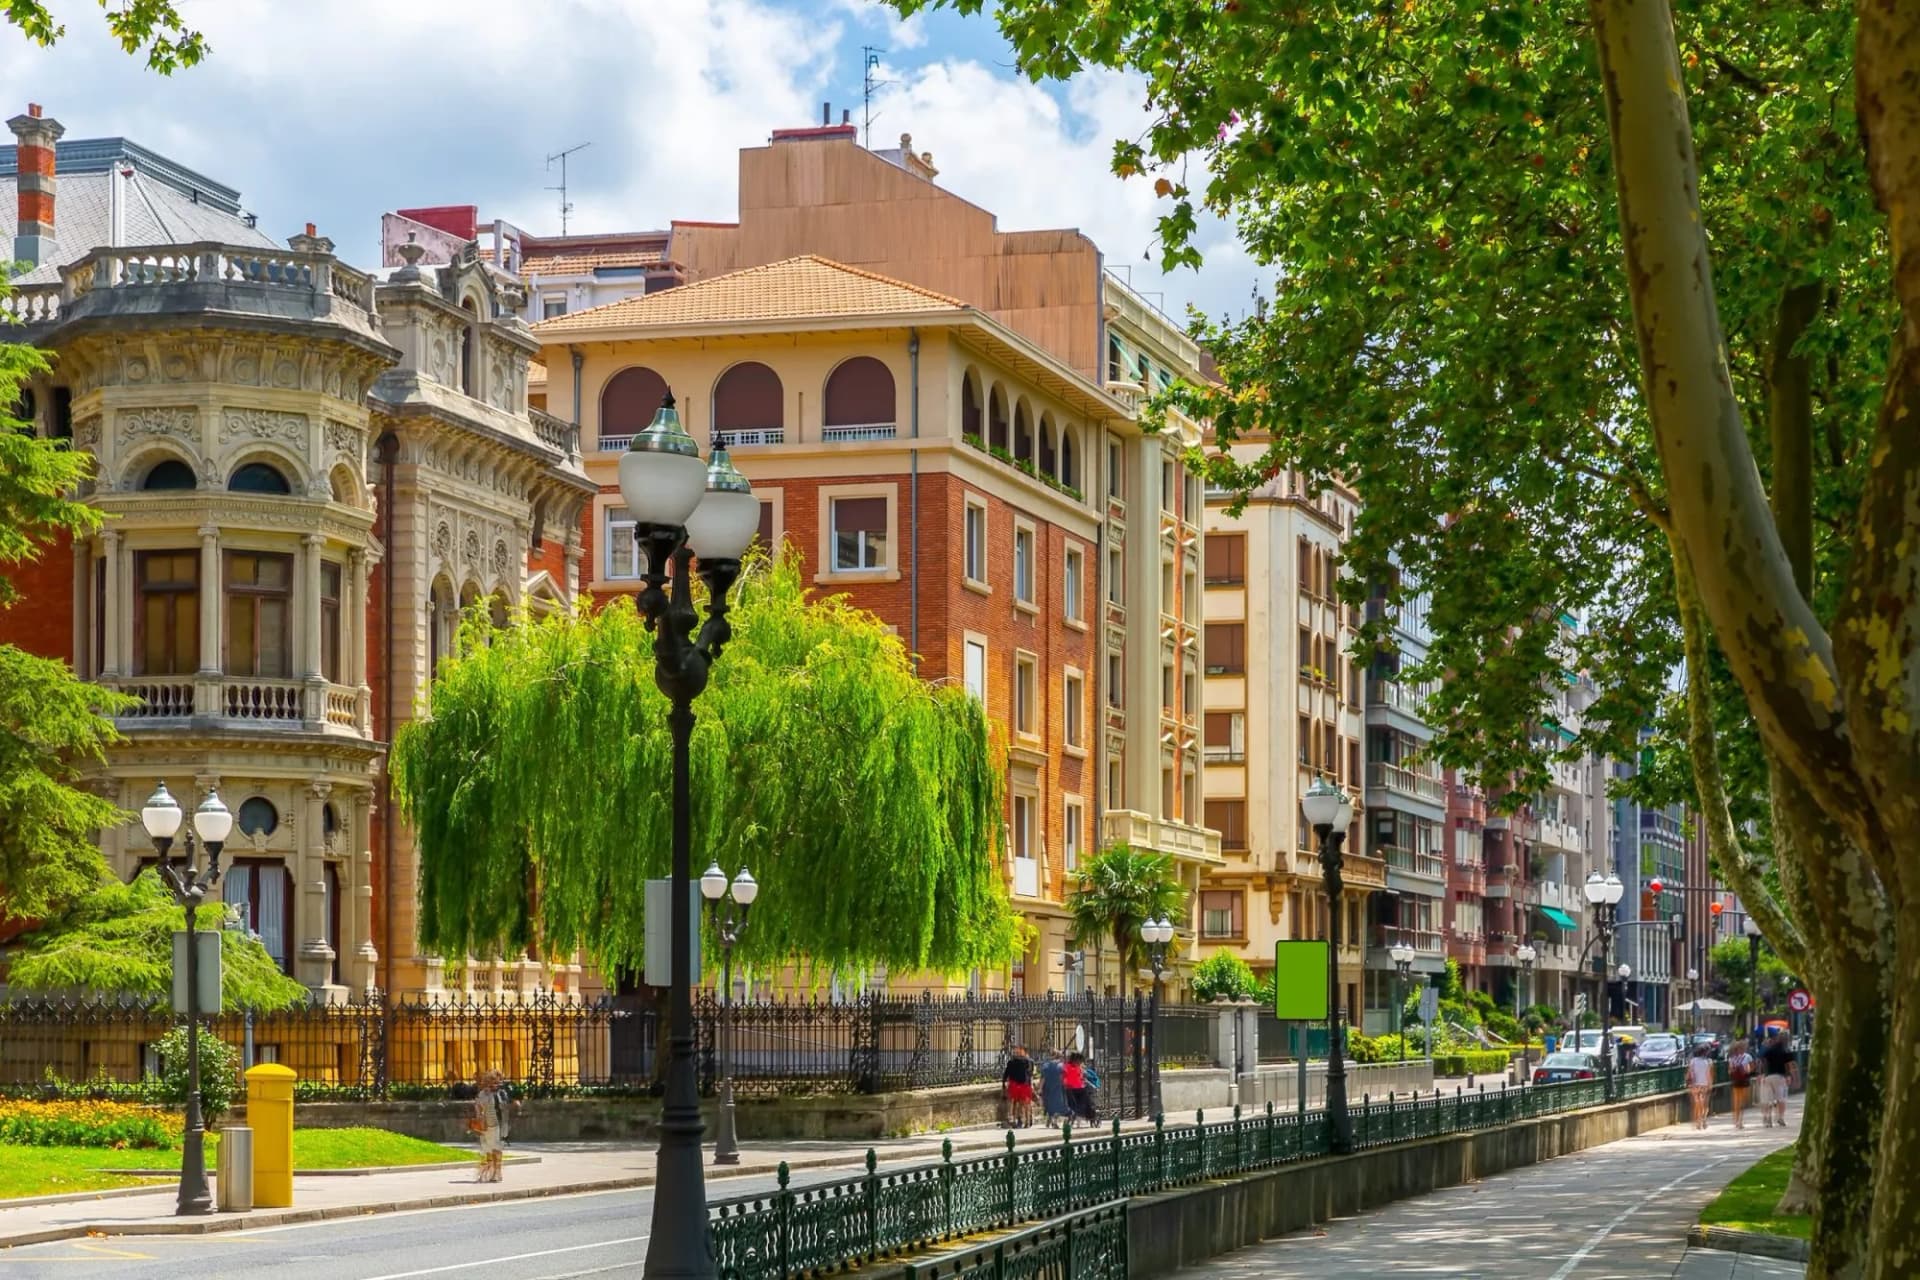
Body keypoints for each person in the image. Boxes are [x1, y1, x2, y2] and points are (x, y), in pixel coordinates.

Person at [472, 1069, 511, 1182]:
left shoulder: (501, 1094)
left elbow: (504, 1110)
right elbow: (478, 1106)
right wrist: (479, 1115)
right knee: (487, 1149)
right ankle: (488, 1172)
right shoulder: (482, 1093)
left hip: (497, 1125)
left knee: (496, 1149)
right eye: (492, 1081)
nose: (495, 1084)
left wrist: (505, 1130)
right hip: (484, 1126)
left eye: (497, 1081)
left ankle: (497, 1172)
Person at [1759, 1030, 1797, 1127]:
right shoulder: (1785, 1050)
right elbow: (1790, 1065)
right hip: (1780, 1077)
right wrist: (1794, 1077)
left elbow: (1762, 1061)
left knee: (1768, 1099)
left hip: (1768, 1077)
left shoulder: (1769, 1049)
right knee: (1781, 1099)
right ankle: (1780, 1117)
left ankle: (1767, 1118)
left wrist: (1761, 1074)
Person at [1001, 1045, 1036, 1129]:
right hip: (1023, 1084)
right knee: (1022, 1103)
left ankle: (1016, 1119)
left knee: (1016, 1103)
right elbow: (1030, 1073)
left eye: (1018, 1051)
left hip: (1016, 1084)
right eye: (1017, 1051)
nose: (1017, 1053)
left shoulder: (1015, 1061)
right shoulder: (1028, 1061)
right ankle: (1023, 1120)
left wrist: (1004, 1082)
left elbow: (1006, 1073)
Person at [1726, 1037, 1755, 1129]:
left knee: (1736, 1101)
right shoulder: (1748, 1057)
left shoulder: (1732, 1058)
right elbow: (1752, 1069)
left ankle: (1736, 1120)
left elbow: (1729, 1071)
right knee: (1742, 1101)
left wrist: (1734, 1070)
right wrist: (1746, 1071)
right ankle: (1740, 1121)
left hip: (1735, 1081)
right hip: (1744, 1081)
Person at [1687, 1043, 1715, 1129]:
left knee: (1697, 1102)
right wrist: (1710, 1084)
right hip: (1704, 1085)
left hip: (1695, 1084)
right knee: (1705, 1104)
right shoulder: (1709, 1061)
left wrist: (1689, 1082)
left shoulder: (1693, 1061)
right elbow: (1709, 1074)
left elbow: (1690, 1073)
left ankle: (1698, 1121)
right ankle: (1704, 1119)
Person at [1039, 1051, 1068, 1128]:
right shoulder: (1061, 1066)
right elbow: (1064, 1077)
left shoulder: (1046, 1065)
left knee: (1050, 1105)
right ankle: (1054, 1121)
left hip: (1048, 1088)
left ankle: (1051, 1119)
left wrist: (1040, 1089)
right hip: (1058, 1088)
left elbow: (1043, 1078)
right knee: (1059, 1106)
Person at [1062, 1051, 1091, 1127]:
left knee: (1082, 1102)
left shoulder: (1078, 1067)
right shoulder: (1067, 1066)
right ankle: (1075, 1116)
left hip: (1079, 1088)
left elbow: (1081, 1077)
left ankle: (1079, 1117)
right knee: (1073, 1104)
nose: (1078, 1062)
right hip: (1071, 1088)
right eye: (1077, 1061)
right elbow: (1064, 1076)